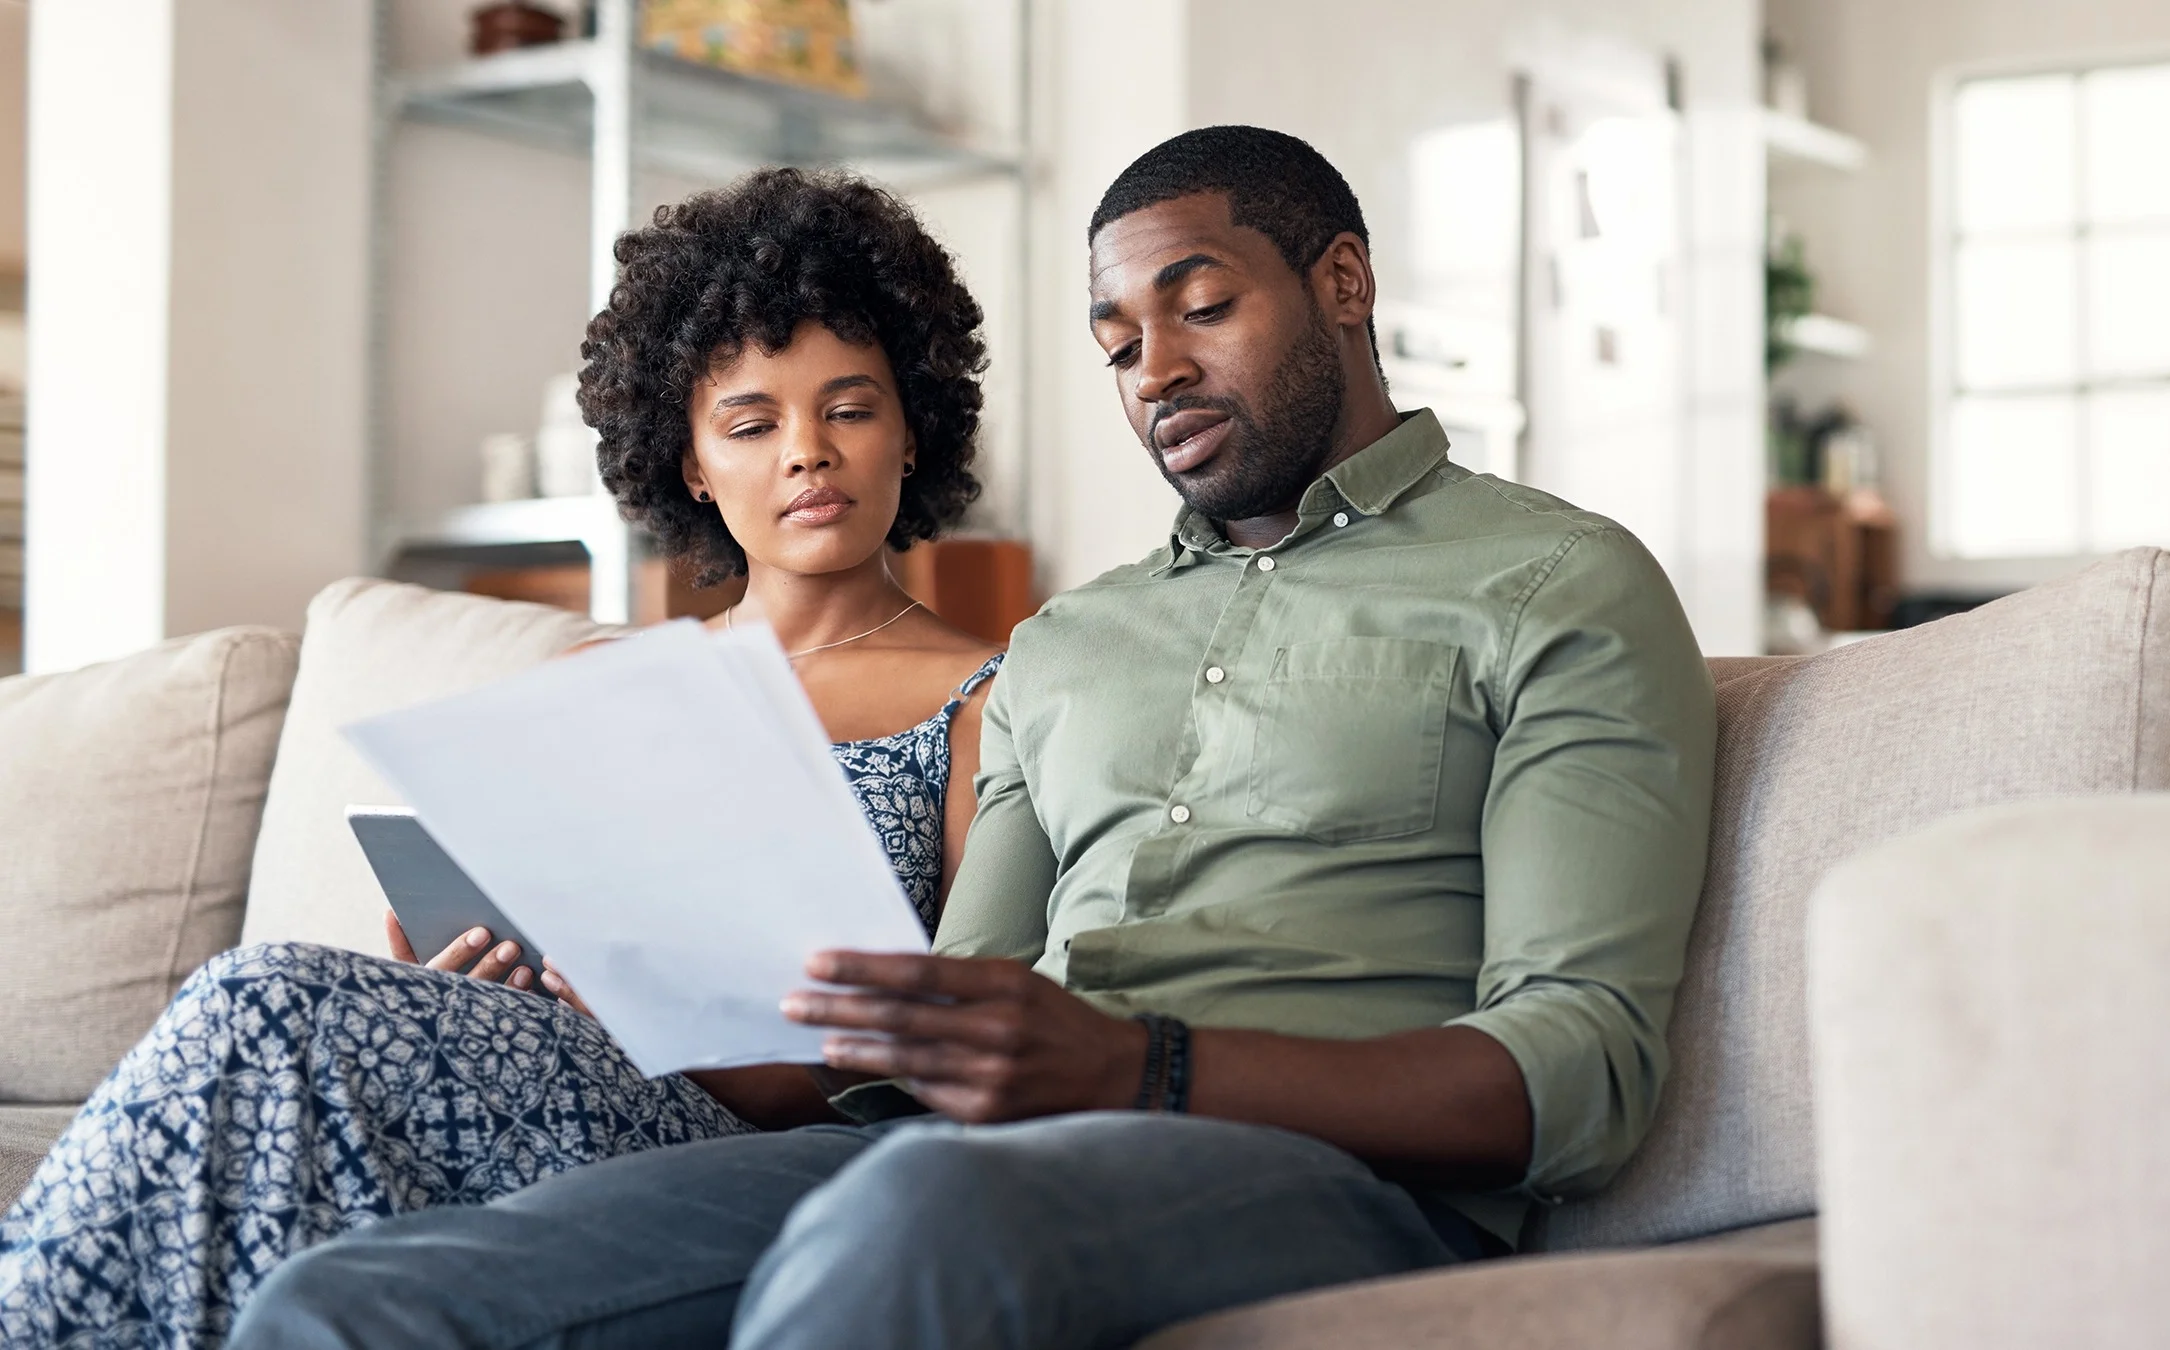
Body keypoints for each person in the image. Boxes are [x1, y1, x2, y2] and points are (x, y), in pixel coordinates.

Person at [218, 125, 1721, 1350]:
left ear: (1342, 282)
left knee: (915, 1218)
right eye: (1120, 341)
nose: (1160, 373)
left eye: (1202, 307)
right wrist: (632, 980)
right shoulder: (1070, 645)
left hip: (1339, 1179)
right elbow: (928, 1047)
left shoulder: (1554, 586)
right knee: (356, 1295)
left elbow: (1578, 1073)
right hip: (956, 1159)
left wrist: (1147, 1067)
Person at [0, 168, 1005, 1347]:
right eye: (751, 423)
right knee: (280, 1078)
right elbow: (492, 947)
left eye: (850, 409)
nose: (806, 453)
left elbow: (949, 1059)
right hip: (551, 1079)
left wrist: (664, 1020)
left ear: (910, 428)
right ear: (689, 463)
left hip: (756, 1149)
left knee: (265, 1002)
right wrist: (464, 978)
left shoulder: (987, 697)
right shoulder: (601, 688)